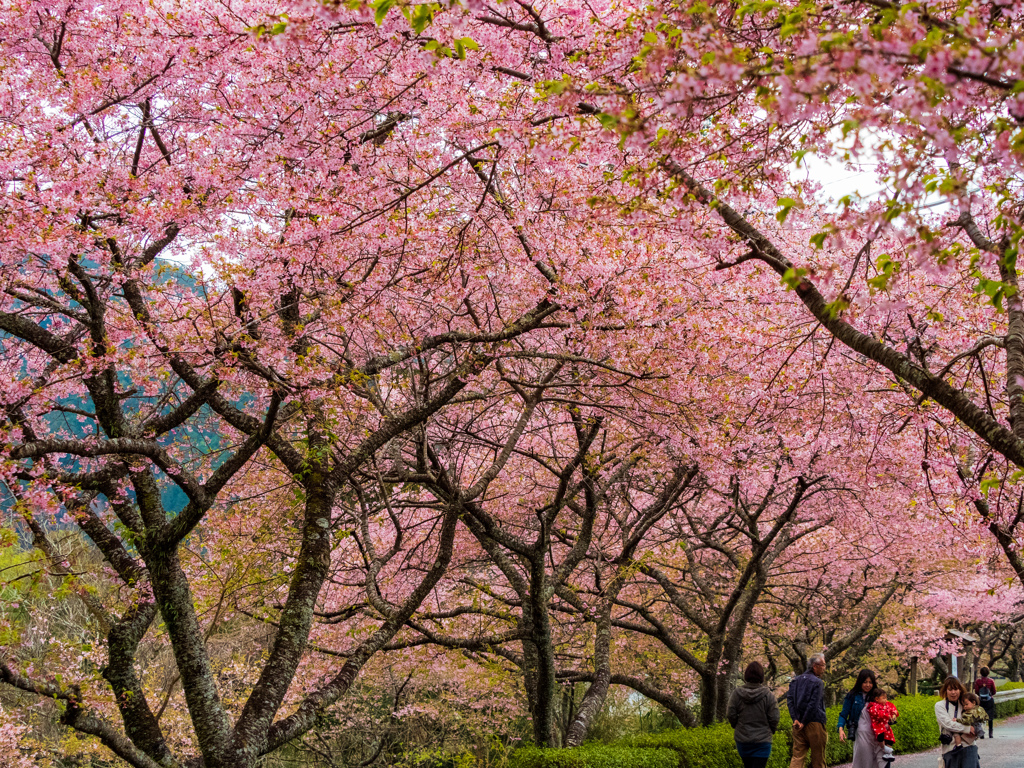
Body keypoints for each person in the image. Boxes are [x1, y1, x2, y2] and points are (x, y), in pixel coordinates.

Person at [728, 661, 781, 768]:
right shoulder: (768, 695)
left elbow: (731, 714)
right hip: (763, 741)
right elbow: (774, 717)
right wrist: (771, 730)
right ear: (761, 676)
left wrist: (737, 726)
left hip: (743, 739)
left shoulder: (737, 694)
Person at [838, 669, 886, 768]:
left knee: (880, 763)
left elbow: (886, 710)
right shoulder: (852, 695)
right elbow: (844, 714)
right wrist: (840, 728)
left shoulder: (877, 696)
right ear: (860, 682)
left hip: (878, 734)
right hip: (862, 734)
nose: (868, 685)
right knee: (863, 762)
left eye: (870, 682)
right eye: (865, 682)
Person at [787, 653, 828, 768]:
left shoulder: (795, 681)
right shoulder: (817, 682)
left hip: (797, 724)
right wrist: (804, 722)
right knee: (818, 758)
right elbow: (813, 705)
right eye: (823, 665)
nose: (824, 668)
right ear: (815, 666)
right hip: (814, 723)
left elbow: (790, 701)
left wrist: (795, 719)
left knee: (797, 757)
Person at [934, 676, 979, 768]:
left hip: (969, 746)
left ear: (960, 689)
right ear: (945, 690)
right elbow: (948, 724)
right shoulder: (940, 706)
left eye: (956, 689)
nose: (953, 692)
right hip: (950, 749)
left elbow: (978, 719)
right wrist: (967, 728)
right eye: (950, 689)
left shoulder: (966, 704)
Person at [865, 688, 898, 762]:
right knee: (881, 736)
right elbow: (877, 714)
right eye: (883, 698)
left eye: (886, 698)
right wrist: (887, 716)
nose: (886, 700)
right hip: (878, 726)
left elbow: (893, 708)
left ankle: (889, 753)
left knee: (889, 738)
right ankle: (884, 748)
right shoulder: (873, 706)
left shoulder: (887, 704)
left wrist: (894, 714)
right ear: (876, 699)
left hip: (886, 726)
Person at [973, 666, 997, 738]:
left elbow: (977, 691)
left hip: (981, 701)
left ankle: (982, 734)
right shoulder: (991, 681)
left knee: (980, 716)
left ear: (981, 673)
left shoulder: (978, 681)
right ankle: (990, 733)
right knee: (990, 716)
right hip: (989, 700)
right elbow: (994, 691)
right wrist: (989, 695)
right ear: (988, 673)